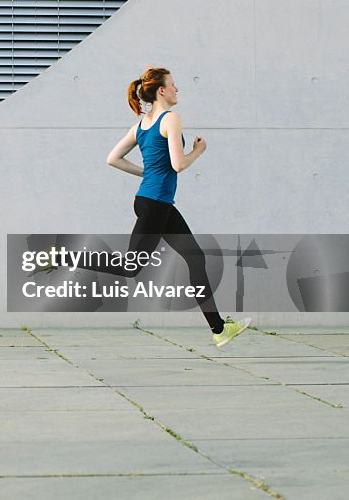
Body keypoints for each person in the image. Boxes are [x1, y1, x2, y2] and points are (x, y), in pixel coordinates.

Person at [101, 67, 251, 348]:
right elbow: (178, 164)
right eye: (173, 85)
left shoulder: (142, 124)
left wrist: (146, 174)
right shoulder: (171, 119)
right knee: (130, 268)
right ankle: (63, 258)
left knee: (195, 257)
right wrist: (198, 151)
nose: (177, 89)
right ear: (161, 90)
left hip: (156, 203)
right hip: (156, 205)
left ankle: (219, 329)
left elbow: (113, 158)